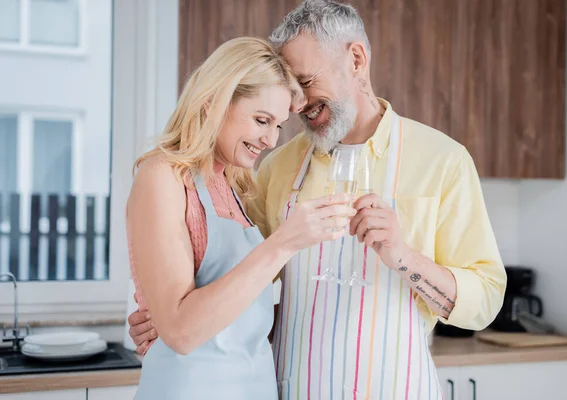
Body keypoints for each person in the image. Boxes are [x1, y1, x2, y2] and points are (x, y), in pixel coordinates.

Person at [129, 1, 508, 398]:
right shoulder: (276, 166)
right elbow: (235, 283)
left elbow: (483, 302)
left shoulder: (442, 161)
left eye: (306, 82)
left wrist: (404, 257)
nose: (297, 104)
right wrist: (166, 317)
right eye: (288, 92)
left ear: (357, 59)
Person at [125, 36, 356, 399]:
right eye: (262, 120)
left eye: (278, 125)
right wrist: (284, 243)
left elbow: (239, 312)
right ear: (213, 102)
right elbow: (182, 333)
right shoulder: (163, 177)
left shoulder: (237, 186)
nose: (271, 140)